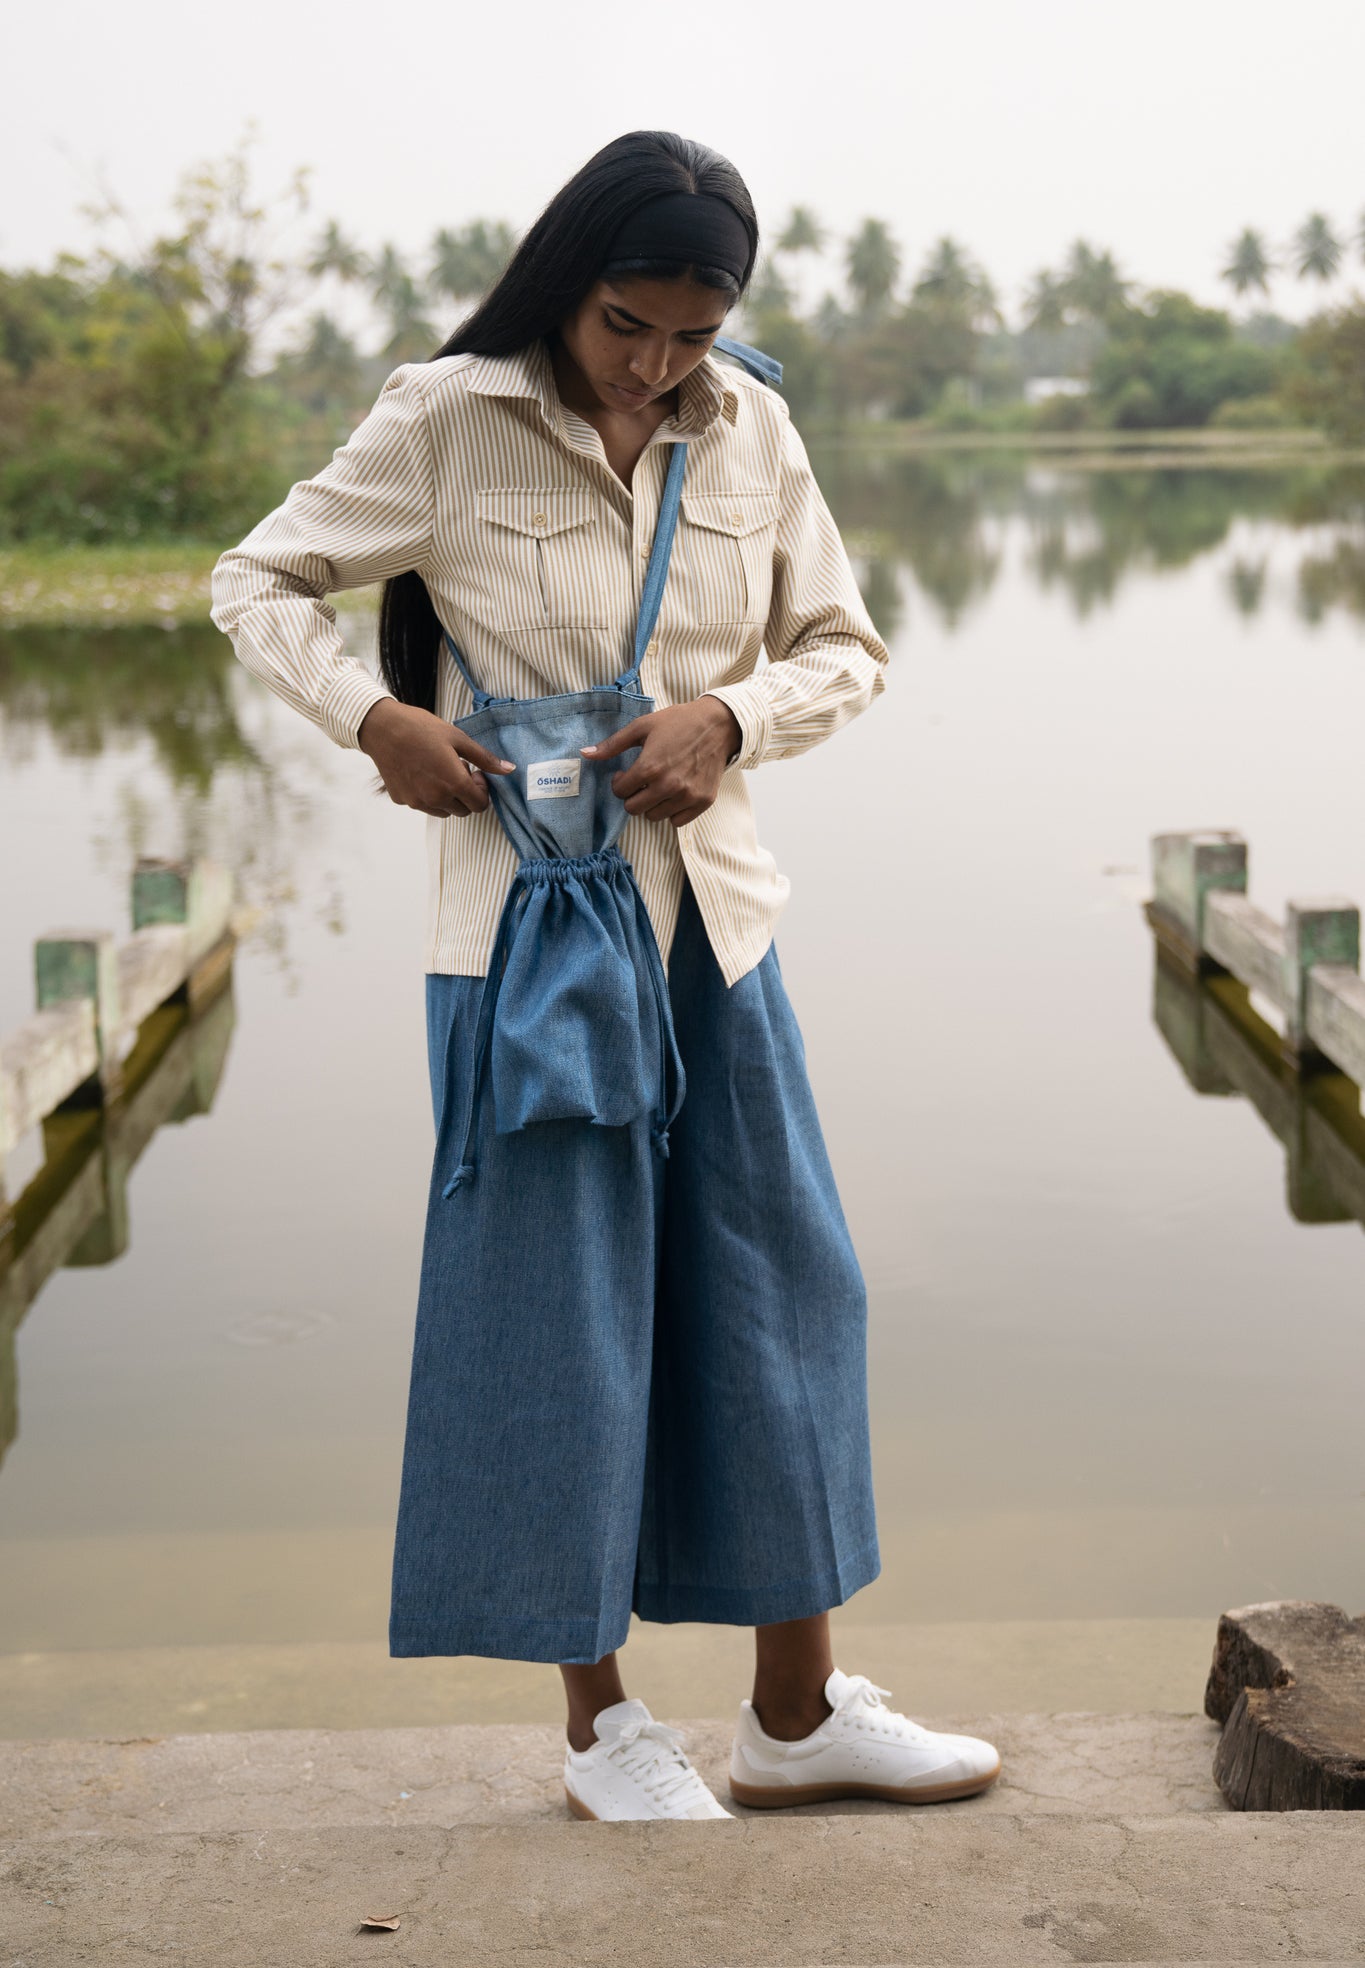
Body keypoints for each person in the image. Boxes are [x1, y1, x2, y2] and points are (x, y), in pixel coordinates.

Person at [211, 130, 1001, 1821]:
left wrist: (736, 718)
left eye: (690, 335)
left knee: (787, 1289)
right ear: (569, 285)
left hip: (717, 927)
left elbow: (844, 646)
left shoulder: (753, 431)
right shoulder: (443, 416)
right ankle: (601, 1731)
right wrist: (375, 717)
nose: (654, 365)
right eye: (627, 325)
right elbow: (254, 579)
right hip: (525, 942)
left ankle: (794, 1715)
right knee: (561, 1310)